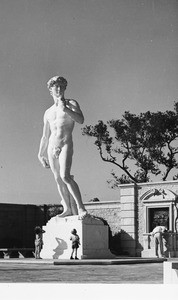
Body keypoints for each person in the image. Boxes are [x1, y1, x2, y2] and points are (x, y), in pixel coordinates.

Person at [38, 76, 88, 218]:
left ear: (65, 88)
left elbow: (81, 120)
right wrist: (40, 154)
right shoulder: (48, 112)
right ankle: (67, 208)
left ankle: (81, 208)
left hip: (65, 143)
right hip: (51, 147)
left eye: (61, 86)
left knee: (65, 176)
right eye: (55, 87)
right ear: (50, 90)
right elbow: (45, 136)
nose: (58, 89)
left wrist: (65, 109)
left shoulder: (71, 103)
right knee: (58, 179)